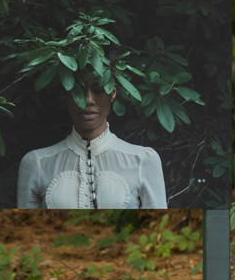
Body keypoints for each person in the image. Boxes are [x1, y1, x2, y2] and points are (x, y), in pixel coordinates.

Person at [17, 77, 167, 209]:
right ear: (66, 93)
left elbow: (158, 235)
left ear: (112, 93)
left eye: (99, 90)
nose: (88, 100)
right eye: (78, 90)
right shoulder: (37, 163)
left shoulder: (142, 160)